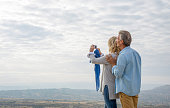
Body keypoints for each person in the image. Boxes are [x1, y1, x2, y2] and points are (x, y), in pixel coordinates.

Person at [106, 30, 141, 108]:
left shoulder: (123, 55)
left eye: (118, 38)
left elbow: (118, 74)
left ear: (121, 41)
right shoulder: (136, 53)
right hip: (135, 89)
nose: (116, 40)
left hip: (126, 90)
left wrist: (113, 64)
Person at [87, 36, 119, 108]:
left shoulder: (110, 56)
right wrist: (101, 54)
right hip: (114, 86)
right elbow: (105, 60)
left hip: (108, 87)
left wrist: (91, 52)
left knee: (110, 106)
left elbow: (94, 60)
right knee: (109, 105)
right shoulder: (117, 56)